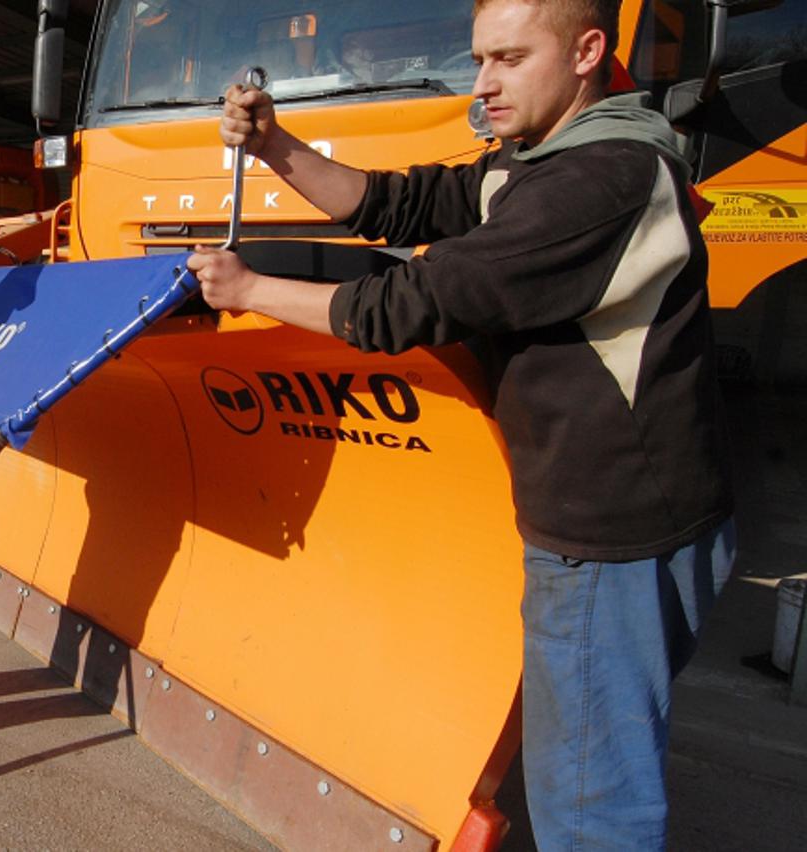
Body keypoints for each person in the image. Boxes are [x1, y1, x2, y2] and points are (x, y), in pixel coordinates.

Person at [186, 0, 734, 848]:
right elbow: (401, 207)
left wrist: (251, 293)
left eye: (510, 59)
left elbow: (420, 299)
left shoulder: (604, 180)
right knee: (603, 756)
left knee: (592, 806)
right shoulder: (539, 158)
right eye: (480, 59)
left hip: (610, 535)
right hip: (618, 517)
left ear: (588, 52)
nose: (484, 85)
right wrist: (273, 148)